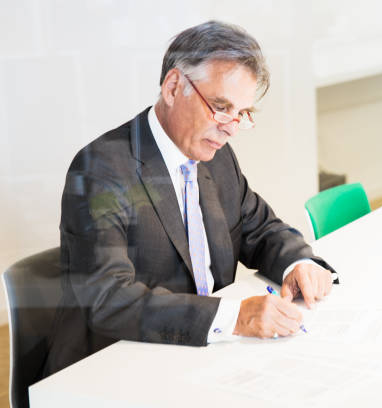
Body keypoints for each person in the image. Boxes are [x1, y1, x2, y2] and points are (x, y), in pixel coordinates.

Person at [43, 20, 336, 377]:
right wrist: (237, 317)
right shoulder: (100, 170)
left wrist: (298, 264)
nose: (230, 126)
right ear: (173, 87)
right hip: (116, 367)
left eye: (242, 113)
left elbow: (260, 228)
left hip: (202, 357)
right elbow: (110, 299)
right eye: (220, 105)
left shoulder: (217, 156)